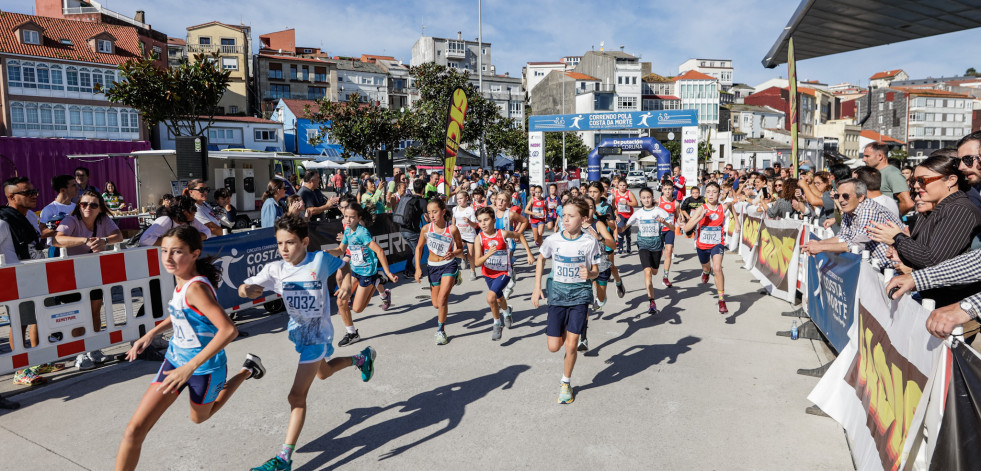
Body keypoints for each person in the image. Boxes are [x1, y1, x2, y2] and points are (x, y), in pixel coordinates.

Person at [115, 225, 265, 471]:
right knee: (134, 430)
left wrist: (190, 368)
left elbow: (229, 330)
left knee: (200, 418)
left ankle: (247, 370)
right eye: (164, 251)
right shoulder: (182, 281)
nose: (168, 258)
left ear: (195, 253)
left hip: (203, 369)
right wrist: (150, 334)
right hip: (174, 362)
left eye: (177, 252)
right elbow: (180, 312)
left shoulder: (195, 287)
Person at [239, 215, 375, 471]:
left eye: (290, 243)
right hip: (299, 334)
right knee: (324, 373)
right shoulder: (275, 270)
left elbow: (343, 265)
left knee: (296, 396)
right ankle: (361, 358)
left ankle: (283, 460)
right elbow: (243, 287)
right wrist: (247, 290)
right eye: (280, 243)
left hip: (319, 335)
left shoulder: (318, 260)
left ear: (304, 241)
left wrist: (346, 282)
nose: (284, 249)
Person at [869, 154, 981, 287]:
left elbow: (933, 261)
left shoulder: (959, 209)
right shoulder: (939, 207)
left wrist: (897, 238)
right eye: (913, 181)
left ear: (950, 180)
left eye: (922, 180)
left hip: (949, 301)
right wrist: (901, 252)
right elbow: (924, 253)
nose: (916, 186)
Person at [531, 197, 601, 404]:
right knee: (554, 346)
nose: (566, 220)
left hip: (580, 295)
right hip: (557, 295)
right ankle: (566, 328)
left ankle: (565, 382)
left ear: (584, 218)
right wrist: (537, 288)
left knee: (571, 346)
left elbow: (596, 271)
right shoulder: (554, 240)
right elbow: (542, 258)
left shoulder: (590, 242)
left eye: (571, 216)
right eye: (564, 216)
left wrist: (589, 274)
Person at [54, 190, 124, 368]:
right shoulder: (71, 220)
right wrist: (85, 240)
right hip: (70, 273)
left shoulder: (103, 220)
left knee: (94, 311)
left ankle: (93, 348)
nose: (88, 207)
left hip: (93, 272)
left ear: (100, 208)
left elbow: (119, 235)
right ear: (79, 206)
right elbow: (57, 239)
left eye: (93, 205)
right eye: (84, 204)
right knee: (78, 313)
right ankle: (79, 353)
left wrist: (104, 240)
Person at [330, 202, 398, 347]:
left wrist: (387, 272)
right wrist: (327, 252)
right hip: (354, 272)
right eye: (346, 216)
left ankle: (377, 280)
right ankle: (352, 333)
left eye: (352, 217)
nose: (348, 220)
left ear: (359, 217)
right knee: (341, 302)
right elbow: (341, 249)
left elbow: (379, 251)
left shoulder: (362, 232)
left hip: (367, 273)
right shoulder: (347, 231)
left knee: (357, 309)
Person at [801, 179, 905, 268]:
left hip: (893, 267)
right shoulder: (850, 209)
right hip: (875, 265)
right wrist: (818, 244)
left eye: (845, 196)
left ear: (860, 197)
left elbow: (856, 245)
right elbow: (843, 237)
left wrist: (820, 247)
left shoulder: (868, 209)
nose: (840, 200)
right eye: (837, 196)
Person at [474, 206, 534, 341]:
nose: (483, 223)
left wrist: (529, 254)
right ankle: (507, 313)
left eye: (486, 220)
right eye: (480, 221)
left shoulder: (503, 233)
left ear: (494, 220)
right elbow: (477, 262)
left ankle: (497, 324)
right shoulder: (479, 238)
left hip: (504, 272)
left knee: (491, 298)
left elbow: (519, 235)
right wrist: (488, 255)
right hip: (488, 274)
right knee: (499, 298)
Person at [415, 198, 465, 345]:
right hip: (432, 267)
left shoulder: (452, 229)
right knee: (436, 304)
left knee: (443, 300)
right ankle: (457, 277)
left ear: (443, 212)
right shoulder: (426, 229)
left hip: (449, 265)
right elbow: (419, 248)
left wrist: (454, 253)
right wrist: (418, 268)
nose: (432, 215)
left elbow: (461, 248)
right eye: (429, 212)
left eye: (435, 212)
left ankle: (441, 331)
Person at [683, 182, 734, 314]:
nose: (711, 194)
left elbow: (731, 204)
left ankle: (721, 300)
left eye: (714, 192)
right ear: (705, 194)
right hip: (702, 245)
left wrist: (738, 223)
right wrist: (699, 217)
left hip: (717, 244)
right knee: (707, 267)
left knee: (717, 268)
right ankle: (705, 272)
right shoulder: (701, 208)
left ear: (719, 194)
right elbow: (687, 229)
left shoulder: (722, 207)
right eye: (709, 192)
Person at [621, 187, 674, 314]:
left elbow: (672, 227)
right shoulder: (638, 213)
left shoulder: (660, 211)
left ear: (652, 198)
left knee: (654, 271)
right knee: (647, 272)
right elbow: (625, 227)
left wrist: (664, 223)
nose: (646, 200)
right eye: (643, 198)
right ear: (640, 199)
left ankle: (655, 278)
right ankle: (652, 301)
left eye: (648, 197)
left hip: (656, 244)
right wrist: (617, 226)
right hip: (643, 244)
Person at [492, 190, 530, 299]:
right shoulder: (491, 212)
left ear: (508, 203)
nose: (501, 202)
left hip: (508, 243)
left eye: (504, 200)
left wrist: (517, 234)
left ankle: (509, 284)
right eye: (499, 199)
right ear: (495, 200)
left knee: (506, 263)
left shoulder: (511, 214)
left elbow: (524, 221)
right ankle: (506, 280)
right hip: (495, 242)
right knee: (498, 265)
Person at [863, 141, 914, 213]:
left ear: (880, 156)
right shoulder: (877, 172)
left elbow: (908, 204)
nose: (863, 159)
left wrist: (893, 217)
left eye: (867, 156)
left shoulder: (892, 173)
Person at [140, 196, 210, 246]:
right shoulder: (165, 220)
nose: (196, 211)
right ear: (183, 211)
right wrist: (176, 240)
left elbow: (207, 232)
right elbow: (144, 240)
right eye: (193, 208)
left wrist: (190, 238)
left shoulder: (191, 221)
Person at [40, 174, 78, 252]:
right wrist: (62, 221)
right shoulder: (49, 209)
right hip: (57, 249)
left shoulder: (77, 207)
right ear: (63, 190)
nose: (77, 188)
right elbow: (42, 234)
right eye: (73, 186)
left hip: (76, 246)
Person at [452, 190, 480, 281]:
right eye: (457, 199)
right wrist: (452, 231)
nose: (459, 200)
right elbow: (453, 222)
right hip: (459, 235)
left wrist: (469, 221)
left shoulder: (470, 210)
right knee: (456, 252)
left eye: (461, 198)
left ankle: (472, 272)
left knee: (471, 255)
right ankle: (463, 258)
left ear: (466, 198)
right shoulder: (455, 209)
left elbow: (475, 225)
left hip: (470, 235)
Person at [658, 181, 679, 288]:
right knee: (658, 253)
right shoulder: (658, 201)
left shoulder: (676, 203)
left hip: (670, 230)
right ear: (662, 190)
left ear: (673, 190)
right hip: (658, 231)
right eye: (665, 189)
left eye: (669, 189)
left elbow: (677, 216)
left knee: (669, 251)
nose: (667, 191)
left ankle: (665, 277)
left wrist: (681, 223)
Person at [612, 178, 638, 254]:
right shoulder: (615, 193)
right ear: (618, 186)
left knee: (627, 231)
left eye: (624, 185)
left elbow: (636, 204)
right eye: (620, 185)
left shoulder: (629, 193)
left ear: (626, 185)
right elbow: (613, 206)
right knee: (620, 228)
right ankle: (620, 247)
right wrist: (616, 216)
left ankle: (628, 247)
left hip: (629, 215)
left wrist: (627, 203)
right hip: (620, 214)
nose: (622, 187)